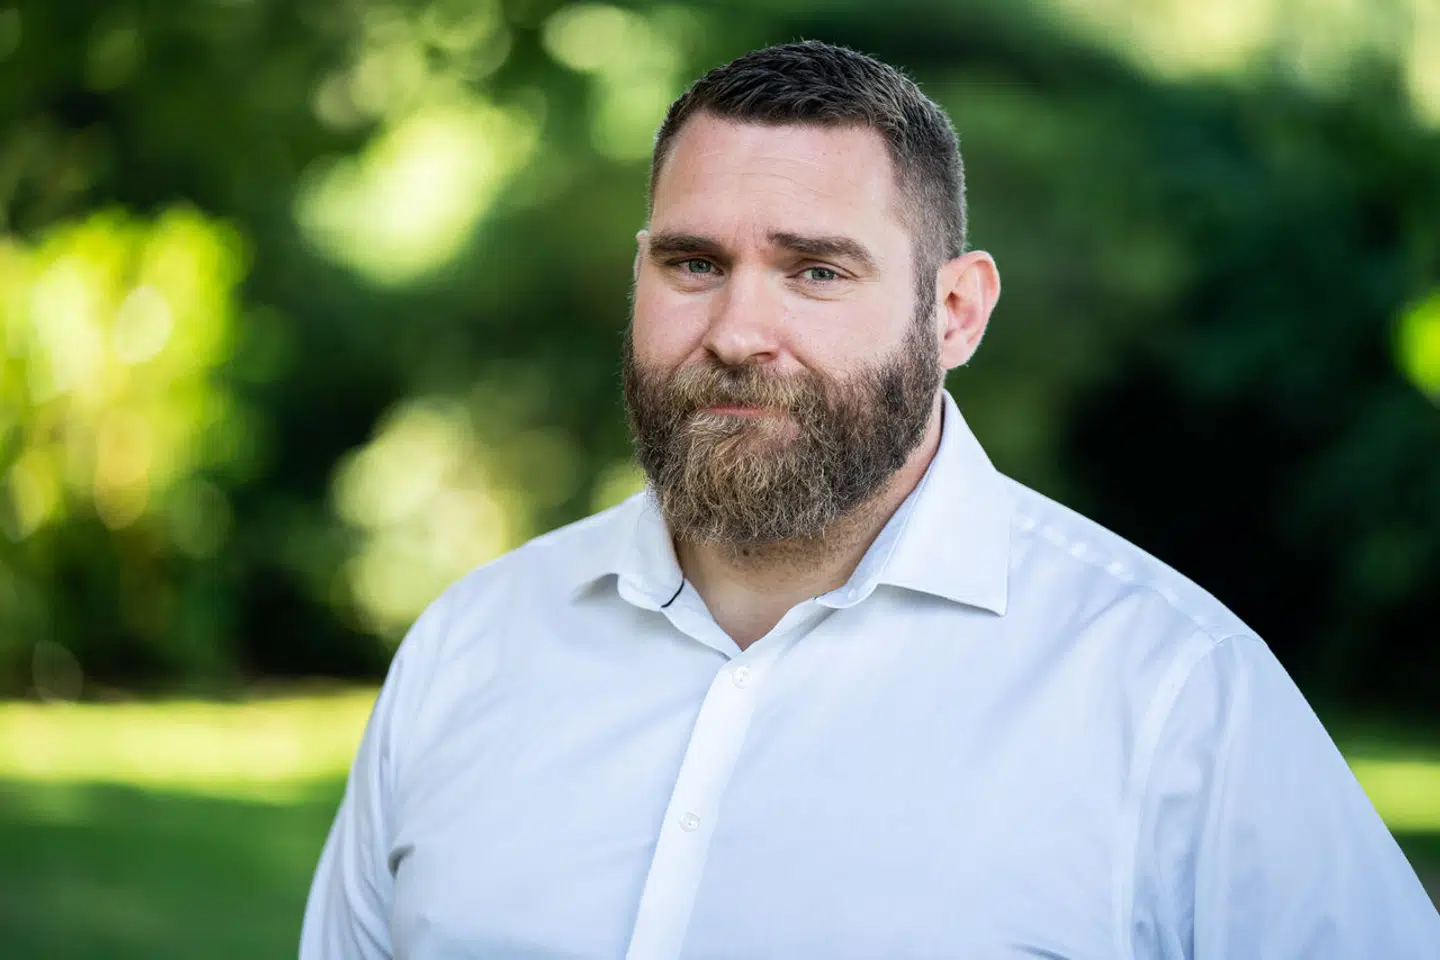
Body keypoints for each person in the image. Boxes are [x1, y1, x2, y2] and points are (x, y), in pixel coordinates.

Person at [300, 40, 1440, 959]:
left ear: (954, 313)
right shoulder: (471, 645)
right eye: (694, 264)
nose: (738, 333)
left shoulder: (1173, 693)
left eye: (818, 271)